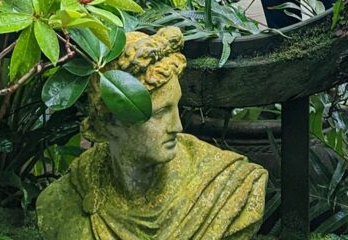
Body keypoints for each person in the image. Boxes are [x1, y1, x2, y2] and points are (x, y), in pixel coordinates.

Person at [37, 27, 267, 240]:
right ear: (111, 123)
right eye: (159, 113)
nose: (177, 126)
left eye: (177, 107)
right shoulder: (66, 199)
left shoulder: (229, 189)